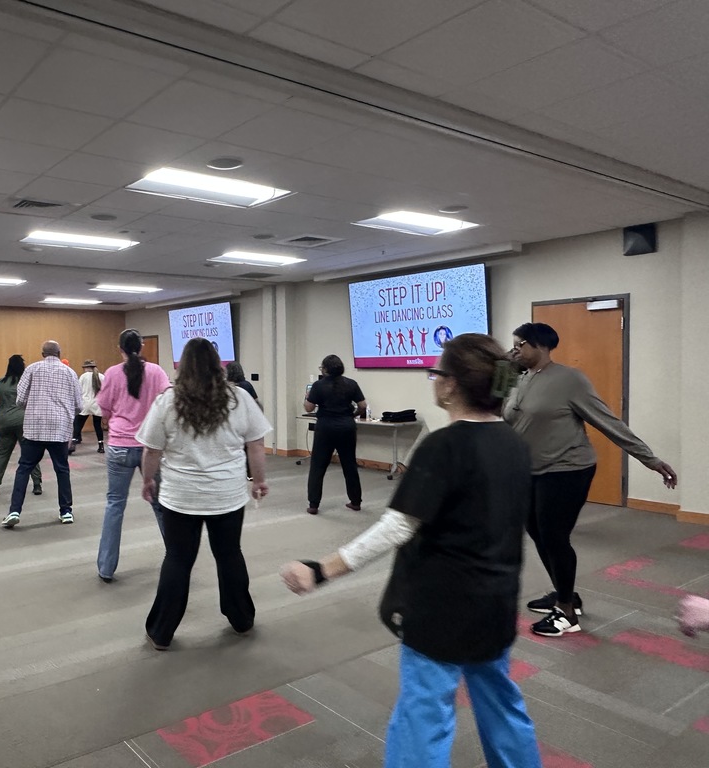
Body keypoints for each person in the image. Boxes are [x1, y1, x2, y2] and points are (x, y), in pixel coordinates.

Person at [281, 333, 540, 768]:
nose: (434, 380)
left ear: (450, 385)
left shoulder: (443, 446)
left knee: (424, 716)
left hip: (441, 607)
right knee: (501, 705)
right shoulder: (513, 443)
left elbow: (396, 527)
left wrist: (321, 570)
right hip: (496, 601)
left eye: (436, 373)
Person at [506, 322, 677, 637]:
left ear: (539, 345)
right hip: (531, 470)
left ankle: (567, 614)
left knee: (554, 536)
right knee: (538, 533)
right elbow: (503, 414)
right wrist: (504, 371)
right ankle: (565, 594)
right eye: (513, 345)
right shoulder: (520, 378)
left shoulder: (570, 380)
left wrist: (650, 459)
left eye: (520, 345)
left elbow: (607, 421)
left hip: (568, 469)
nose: (514, 350)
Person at [137, 338, 272, 650]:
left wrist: (147, 480)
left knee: (178, 559)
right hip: (226, 495)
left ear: (183, 366)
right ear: (217, 364)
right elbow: (256, 444)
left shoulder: (168, 401)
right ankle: (241, 619)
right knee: (229, 555)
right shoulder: (238, 398)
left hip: (180, 497)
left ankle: (161, 631)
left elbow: (152, 449)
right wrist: (259, 480)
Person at [94, 330, 171, 583]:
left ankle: (106, 567)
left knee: (115, 505)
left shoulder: (112, 373)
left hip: (119, 446)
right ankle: (177, 559)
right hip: (151, 447)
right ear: (142, 346)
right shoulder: (157, 372)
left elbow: (103, 409)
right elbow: (168, 401)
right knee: (161, 504)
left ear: (120, 349)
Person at [0, 341, 82, 529]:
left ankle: (14, 511)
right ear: (59, 353)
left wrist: (34, 406)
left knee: (24, 468)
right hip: (59, 428)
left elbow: (20, 400)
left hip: (34, 427)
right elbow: (79, 405)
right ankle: (66, 511)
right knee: (62, 469)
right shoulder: (70, 373)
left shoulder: (31, 369)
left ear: (43, 354)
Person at [304, 354, 366, 515]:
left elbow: (309, 408)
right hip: (346, 427)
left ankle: (313, 504)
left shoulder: (318, 386)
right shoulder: (351, 384)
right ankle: (356, 501)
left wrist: (307, 397)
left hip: (325, 427)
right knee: (349, 464)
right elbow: (362, 405)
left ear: (325, 369)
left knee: (318, 466)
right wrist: (352, 415)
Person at [0, 355, 41, 499]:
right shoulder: (28, 382)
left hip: (5, 422)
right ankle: (37, 484)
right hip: (24, 422)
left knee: (2, 453)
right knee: (30, 453)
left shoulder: (0, 383)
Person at [226, 361, 261, 481]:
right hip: (246, 419)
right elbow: (256, 401)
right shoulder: (247, 385)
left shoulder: (226, 387)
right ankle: (250, 473)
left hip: (231, 421)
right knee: (248, 447)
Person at [71, 359, 105, 454]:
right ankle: (101, 446)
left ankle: (73, 443)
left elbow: (78, 390)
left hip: (85, 403)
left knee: (78, 424)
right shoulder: (101, 376)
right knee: (97, 425)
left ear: (86, 368)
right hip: (97, 404)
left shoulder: (83, 376)